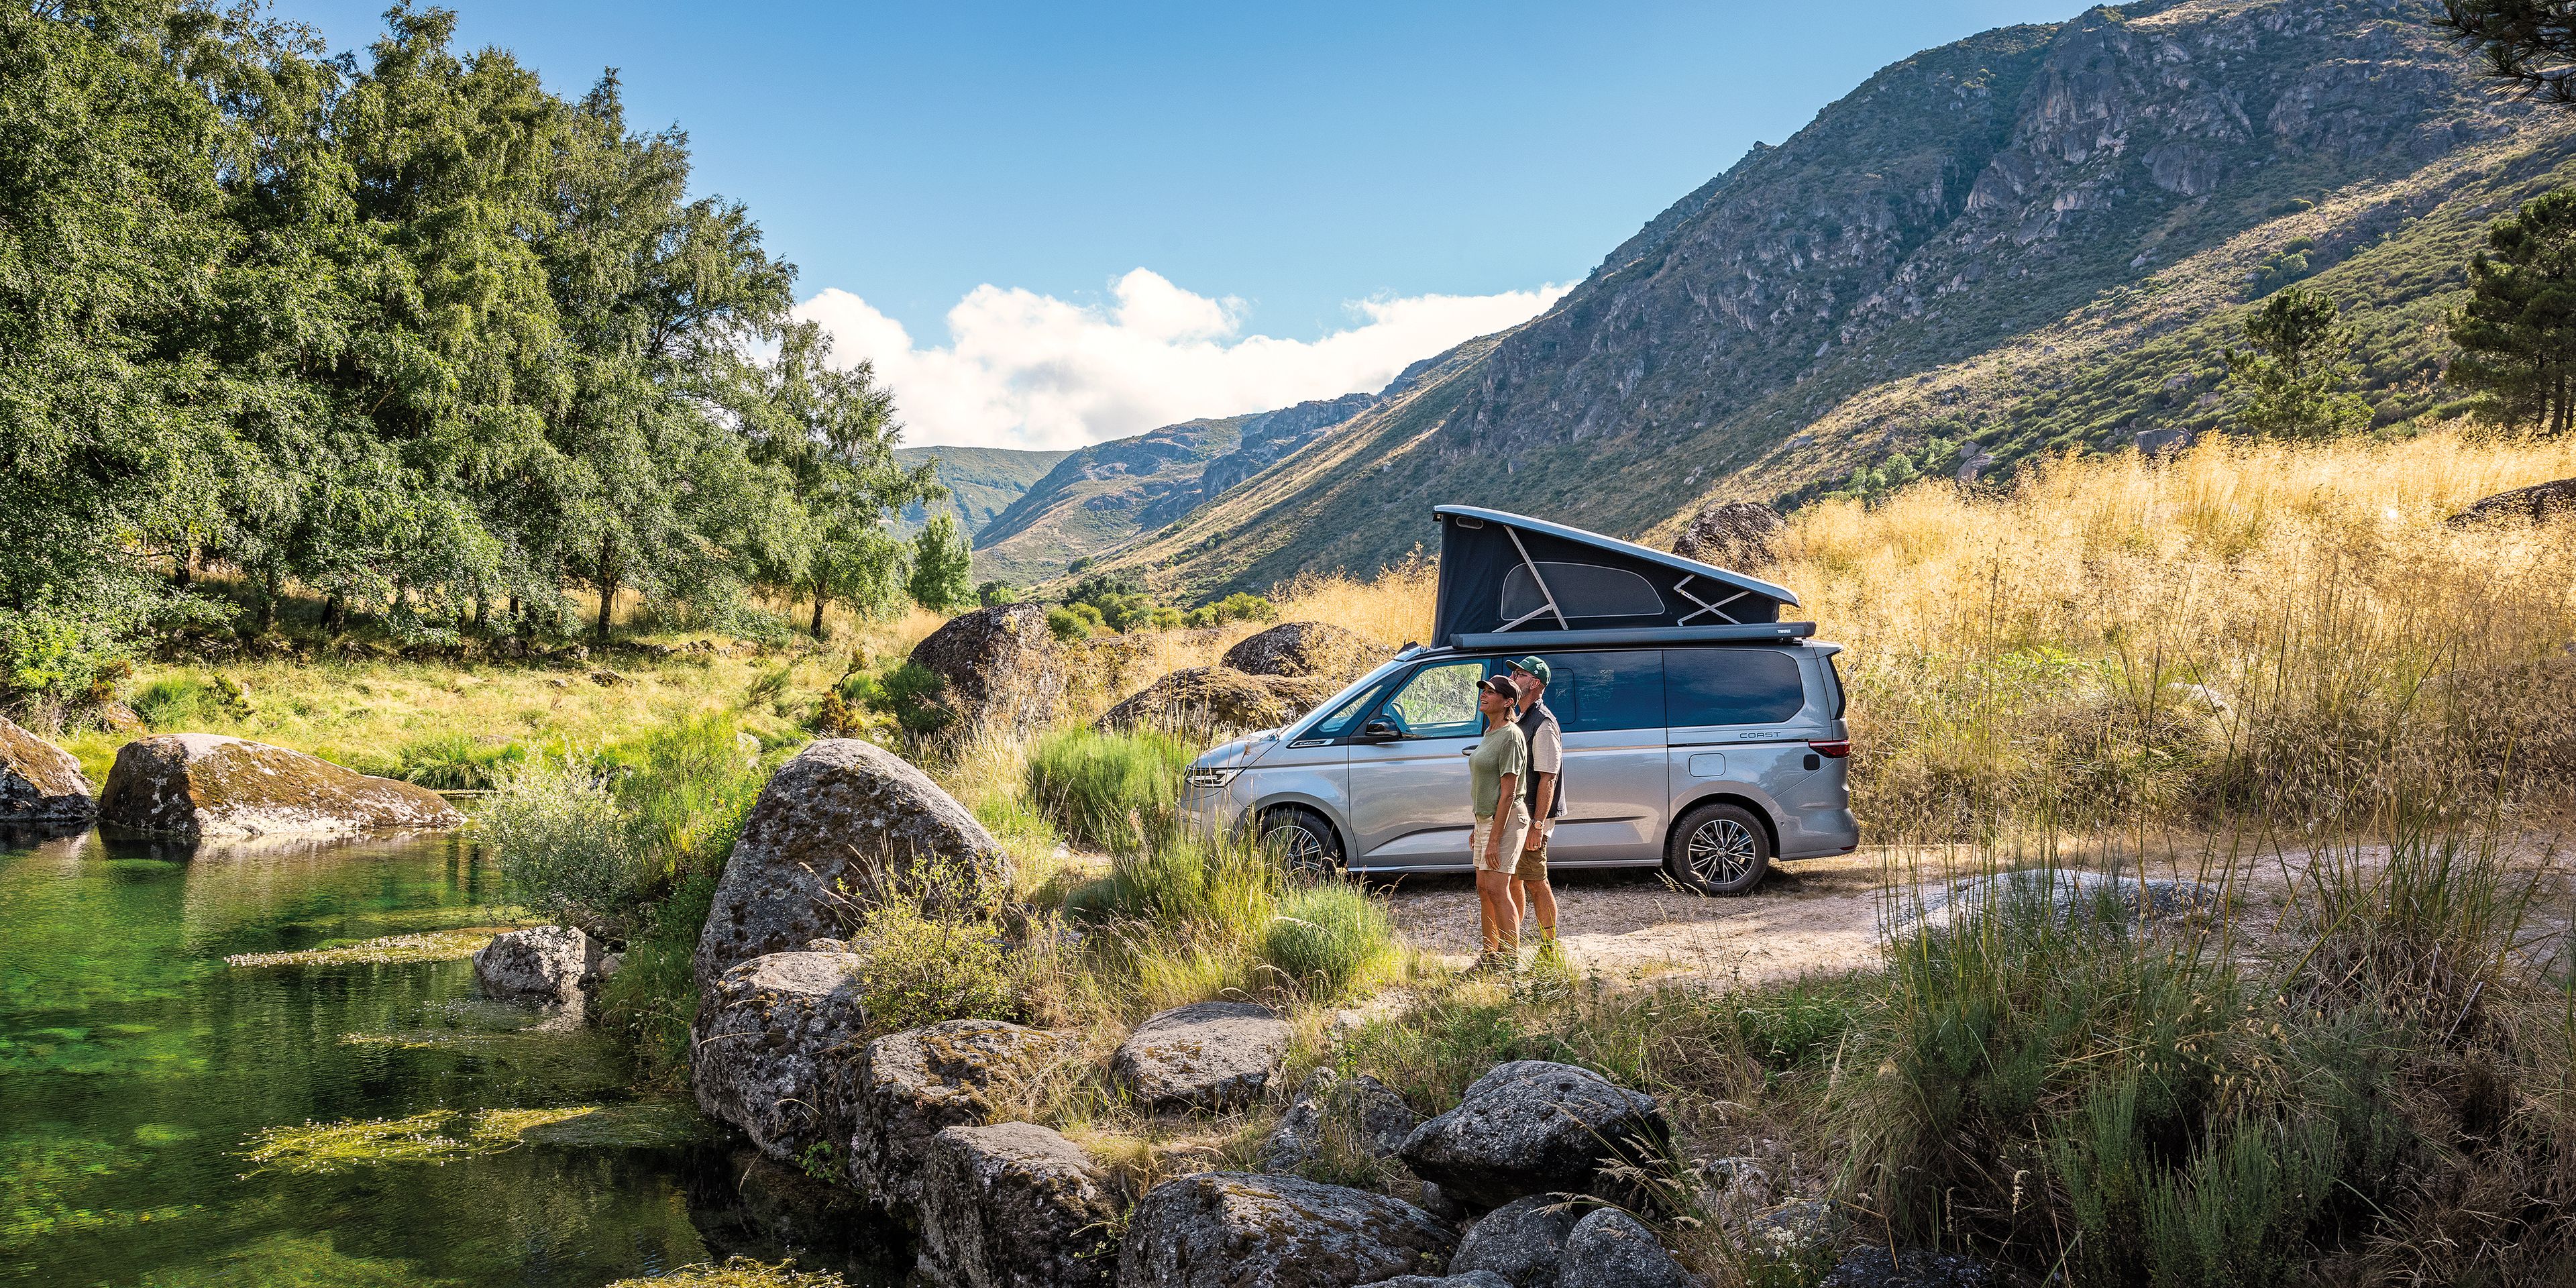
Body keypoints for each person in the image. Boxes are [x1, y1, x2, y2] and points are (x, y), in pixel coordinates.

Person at [1465, 673, 1529, 971]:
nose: (1484, 695)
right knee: (1483, 886)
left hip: (1505, 820)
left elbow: (1508, 793)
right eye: (1484, 691)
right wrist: (1476, 827)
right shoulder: (1491, 733)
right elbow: (1485, 785)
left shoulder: (1512, 736)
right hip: (1485, 820)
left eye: (1491, 692)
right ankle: (1490, 954)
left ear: (1508, 702)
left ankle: (1510, 961)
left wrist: (1493, 837)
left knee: (1498, 887)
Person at [1507, 656, 1564, 963]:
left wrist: (1538, 825)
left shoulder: (1543, 723)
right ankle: (1513, 949)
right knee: (1515, 880)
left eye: (1520, 673)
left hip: (1533, 819)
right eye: (1514, 671)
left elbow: (1548, 778)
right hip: (1521, 817)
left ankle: (1549, 953)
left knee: (1535, 881)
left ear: (1536, 684)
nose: (1513, 676)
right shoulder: (1521, 717)